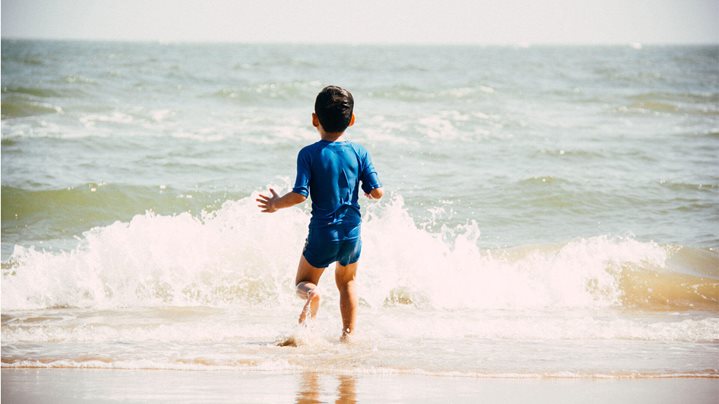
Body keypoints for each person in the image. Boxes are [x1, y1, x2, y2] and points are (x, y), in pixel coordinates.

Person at [256, 85, 383, 341]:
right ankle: (348, 337)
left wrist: (276, 203)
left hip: (323, 234)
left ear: (314, 119)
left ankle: (311, 297)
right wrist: (369, 193)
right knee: (347, 282)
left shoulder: (309, 154)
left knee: (303, 283)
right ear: (353, 120)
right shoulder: (360, 152)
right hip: (351, 233)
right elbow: (377, 191)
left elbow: (300, 194)